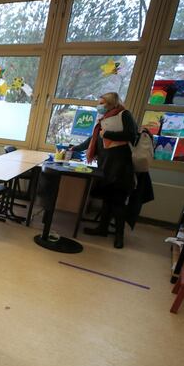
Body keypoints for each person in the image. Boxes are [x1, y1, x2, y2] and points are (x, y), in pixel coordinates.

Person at [69, 92, 136, 249]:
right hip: (105, 165)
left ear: (112, 103)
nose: (99, 106)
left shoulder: (124, 115)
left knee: (118, 202)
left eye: (102, 103)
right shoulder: (103, 119)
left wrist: (107, 133)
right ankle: (102, 229)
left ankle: (119, 236)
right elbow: (93, 139)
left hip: (120, 166)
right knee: (107, 199)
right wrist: (75, 148)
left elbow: (131, 134)